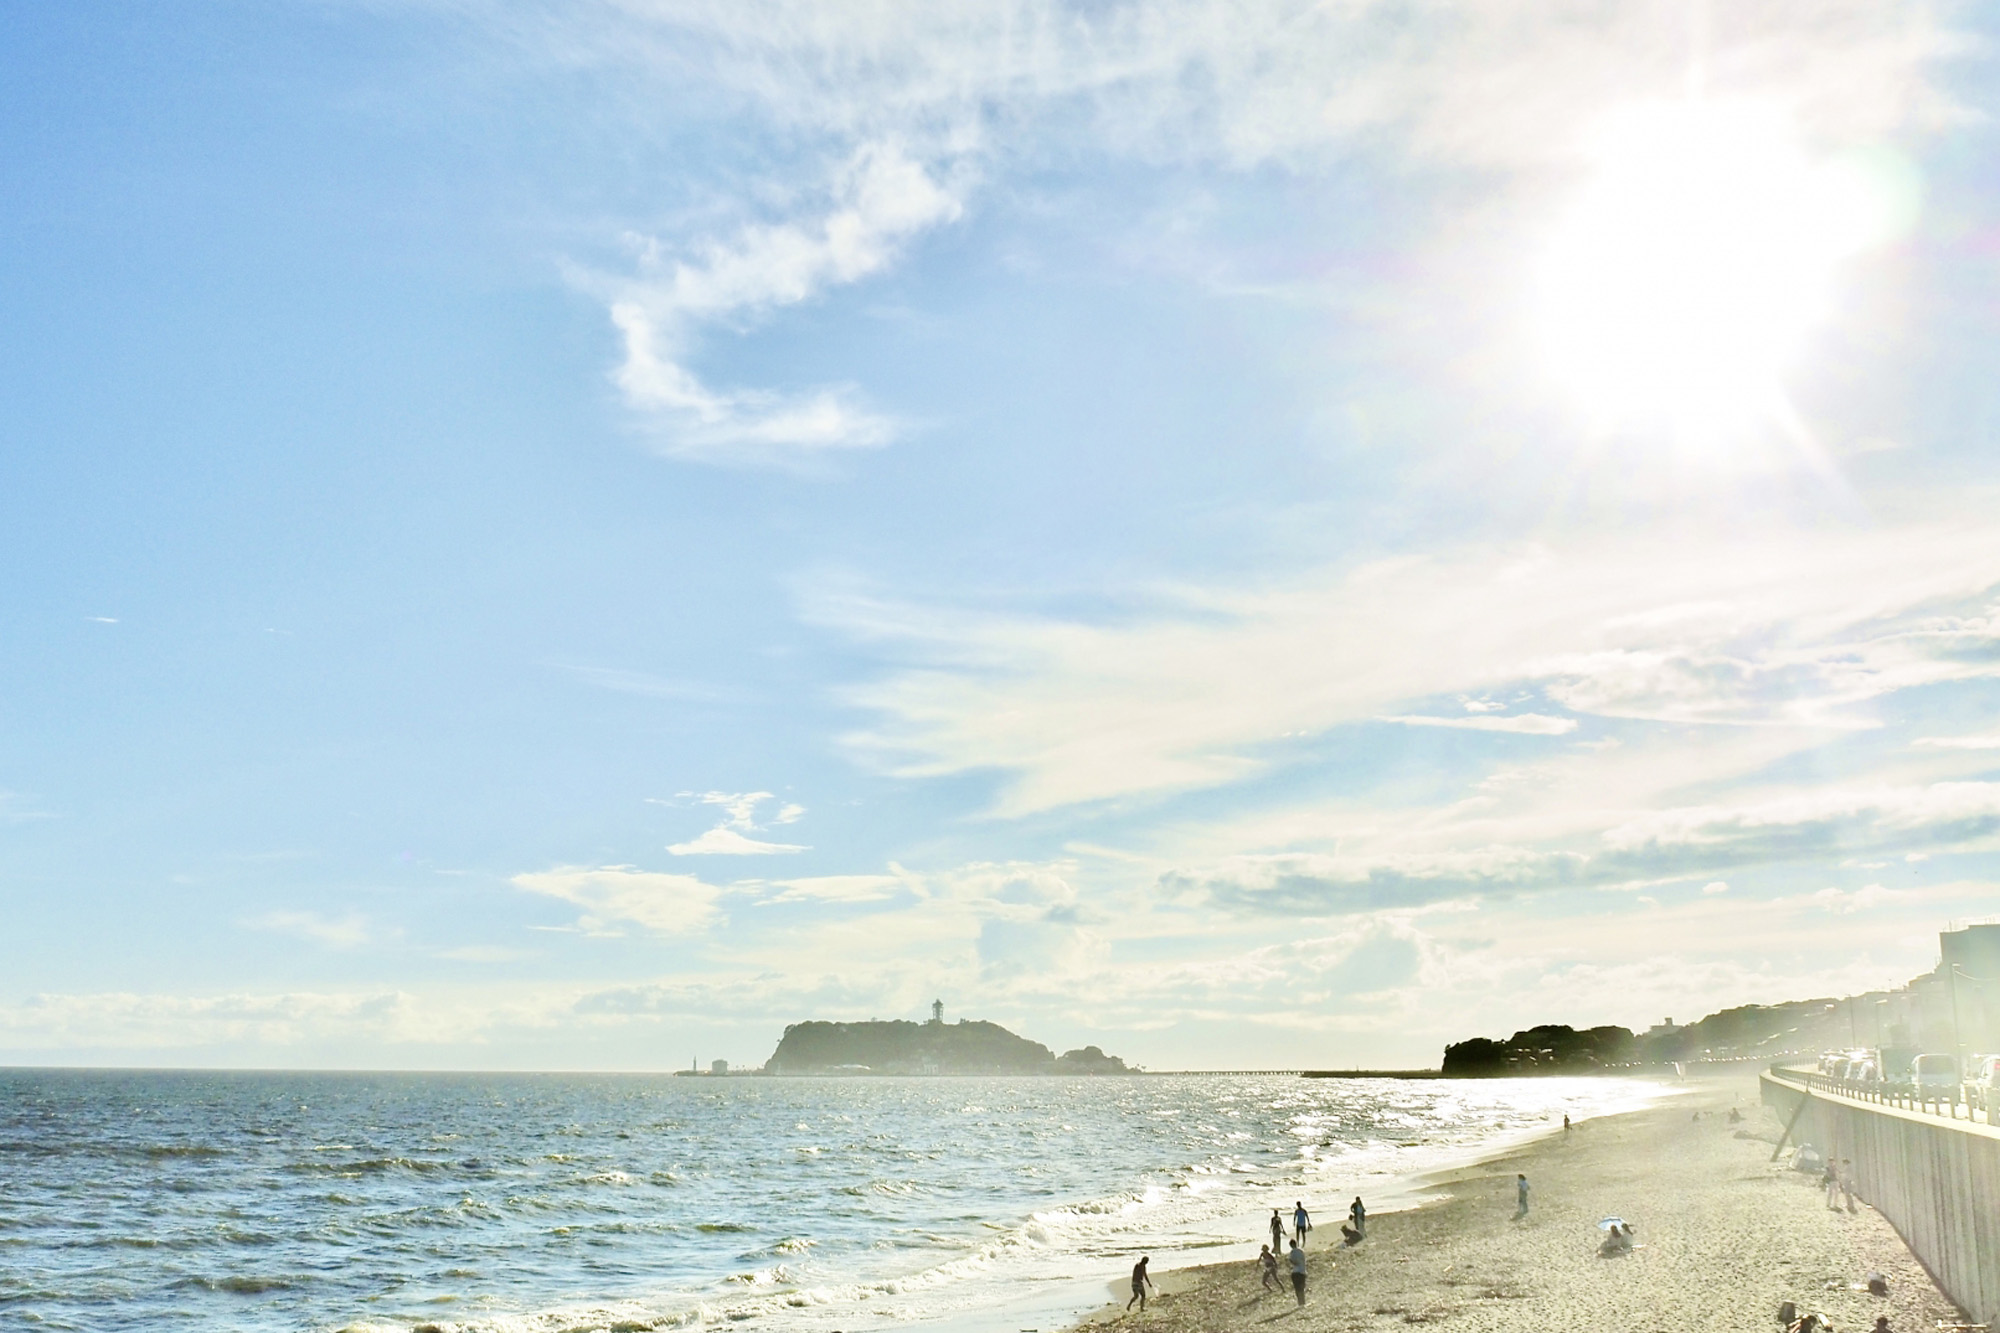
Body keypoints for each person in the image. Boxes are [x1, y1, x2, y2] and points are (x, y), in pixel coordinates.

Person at [1288, 1238, 1308, 1306]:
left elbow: (1293, 1262)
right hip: (1302, 1271)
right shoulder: (1301, 1251)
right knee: (1302, 1288)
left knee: (1297, 1289)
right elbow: (1304, 1261)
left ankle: (1300, 1303)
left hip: (1295, 1272)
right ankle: (1303, 1302)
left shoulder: (1292, 1252)